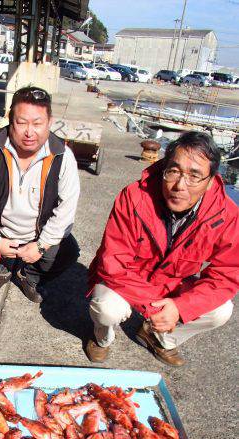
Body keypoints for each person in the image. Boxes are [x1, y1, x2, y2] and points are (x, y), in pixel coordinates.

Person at [86, 130, 238, 367]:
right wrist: (153, 306)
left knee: (221, 310)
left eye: (194, 176)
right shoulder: (134, 196)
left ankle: (160, 337)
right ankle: (101, 338)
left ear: (210, 182)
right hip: (127, 281)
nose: (179, 185)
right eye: (173, 171)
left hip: (172, 284)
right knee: (106, 308)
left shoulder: (227, 214)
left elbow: (226, 276)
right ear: (164, 168)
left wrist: (180, 307)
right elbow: (113, 263)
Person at [0, 86, 80, 303]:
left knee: (68, 252)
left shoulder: (63, 156)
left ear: (49, 122)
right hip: (0, 232)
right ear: (11, 120)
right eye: (22, 122)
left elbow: (67, 208)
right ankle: (2, 267)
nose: (30, 132)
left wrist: (41, 245)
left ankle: (27, 275)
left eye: (37, 123)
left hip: (36, 236)